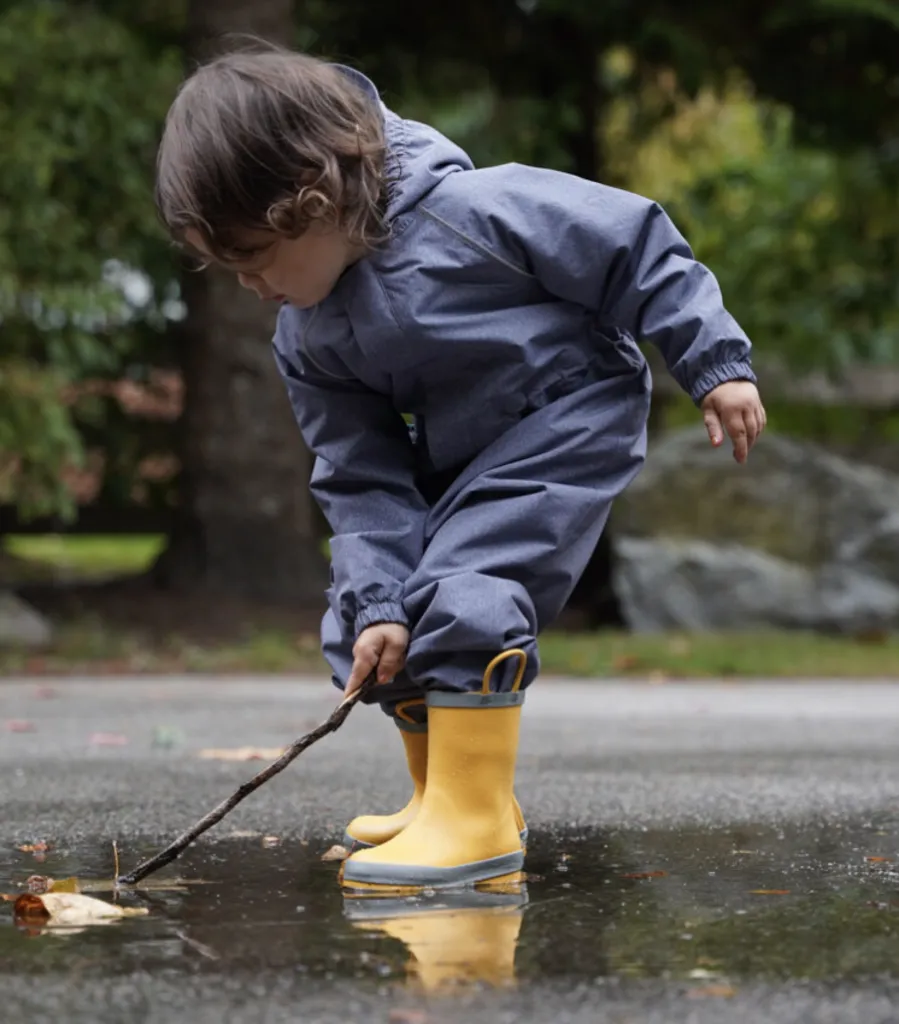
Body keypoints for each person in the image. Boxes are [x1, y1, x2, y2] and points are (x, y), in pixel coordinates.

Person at [155, 44, 766, 893]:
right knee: (379, 613)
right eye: (233, 270)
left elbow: (635, 245)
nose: (252, 286)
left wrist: (714, 363)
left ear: (314, 200)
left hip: (570, 412)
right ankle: (443, 794)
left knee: (469, 586)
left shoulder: (476, 210)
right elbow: (357, 470)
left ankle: (474, 822)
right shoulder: (307, 334)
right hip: (460, 452)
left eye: (256, 257)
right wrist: (373, 597)